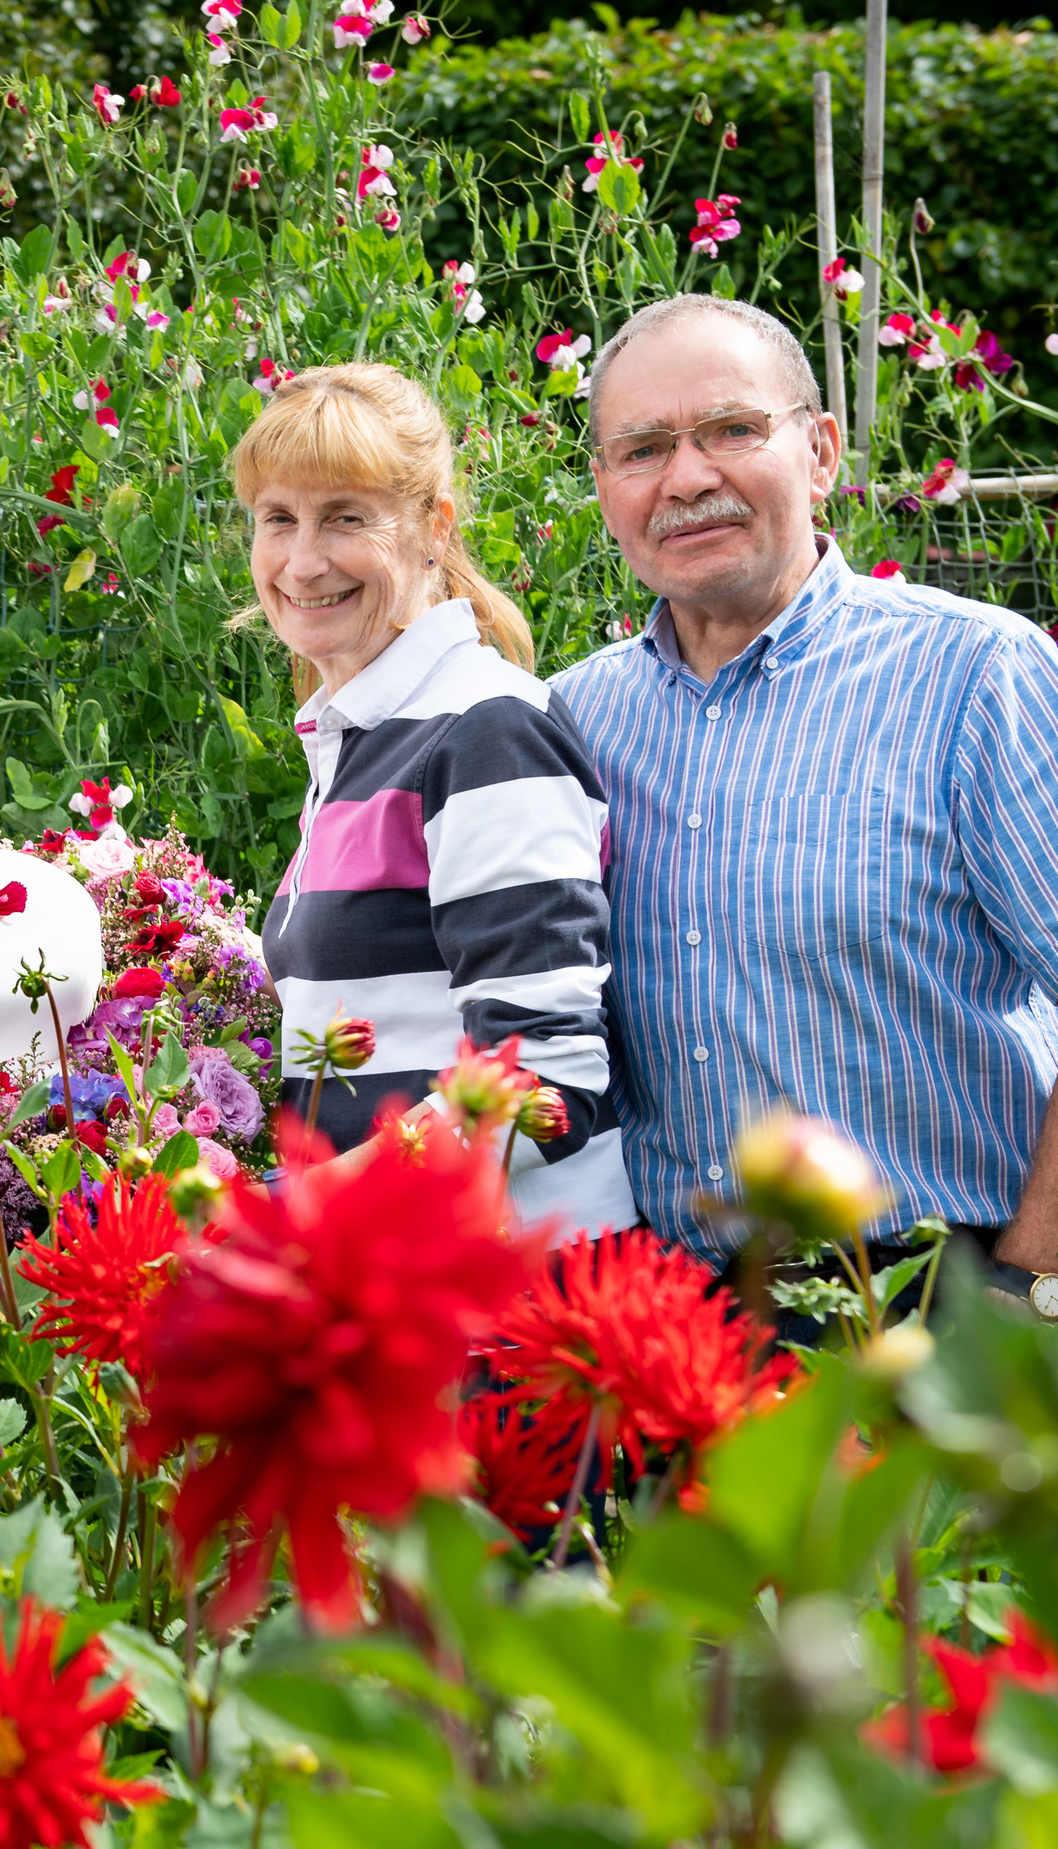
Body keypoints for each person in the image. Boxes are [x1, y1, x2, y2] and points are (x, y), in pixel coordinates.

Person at [550, 293, 1058, 1319]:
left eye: (731, 430)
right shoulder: (572, 722)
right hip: (689, 1332)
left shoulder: (976, 675)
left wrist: (1031, 1299)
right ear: (604, 487)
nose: (687, 478)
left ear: (820, 451)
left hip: (941, 1302)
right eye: (643, 449)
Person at [239, 362, 638, 1238]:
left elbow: (538, 1078)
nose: (304, 561)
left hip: (516, 1297)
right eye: (279, 519)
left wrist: (291, 1210)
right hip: (400, 1274)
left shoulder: (482, 731)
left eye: (346, 517)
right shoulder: (364, 732)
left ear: (434, 529)